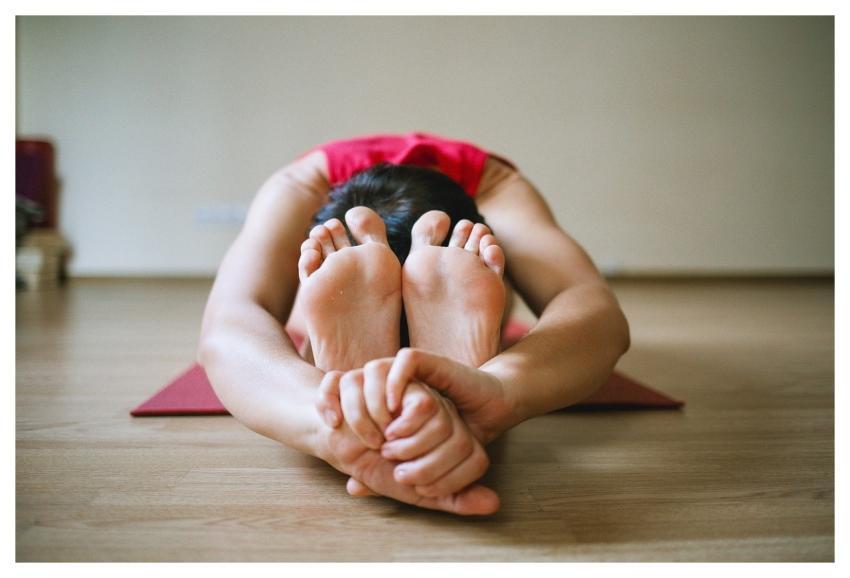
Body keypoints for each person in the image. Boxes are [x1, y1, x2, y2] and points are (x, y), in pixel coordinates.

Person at [197, 132, 631, 515]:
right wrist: (503, 390)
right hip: (398, 229)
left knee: (284, 310)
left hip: (430, 225)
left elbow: (229, 325)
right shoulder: (298, 188)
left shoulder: (495, 189)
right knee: (495, 283)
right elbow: (596, 310)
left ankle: (342, 376)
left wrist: (325, 417)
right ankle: (454, 355)